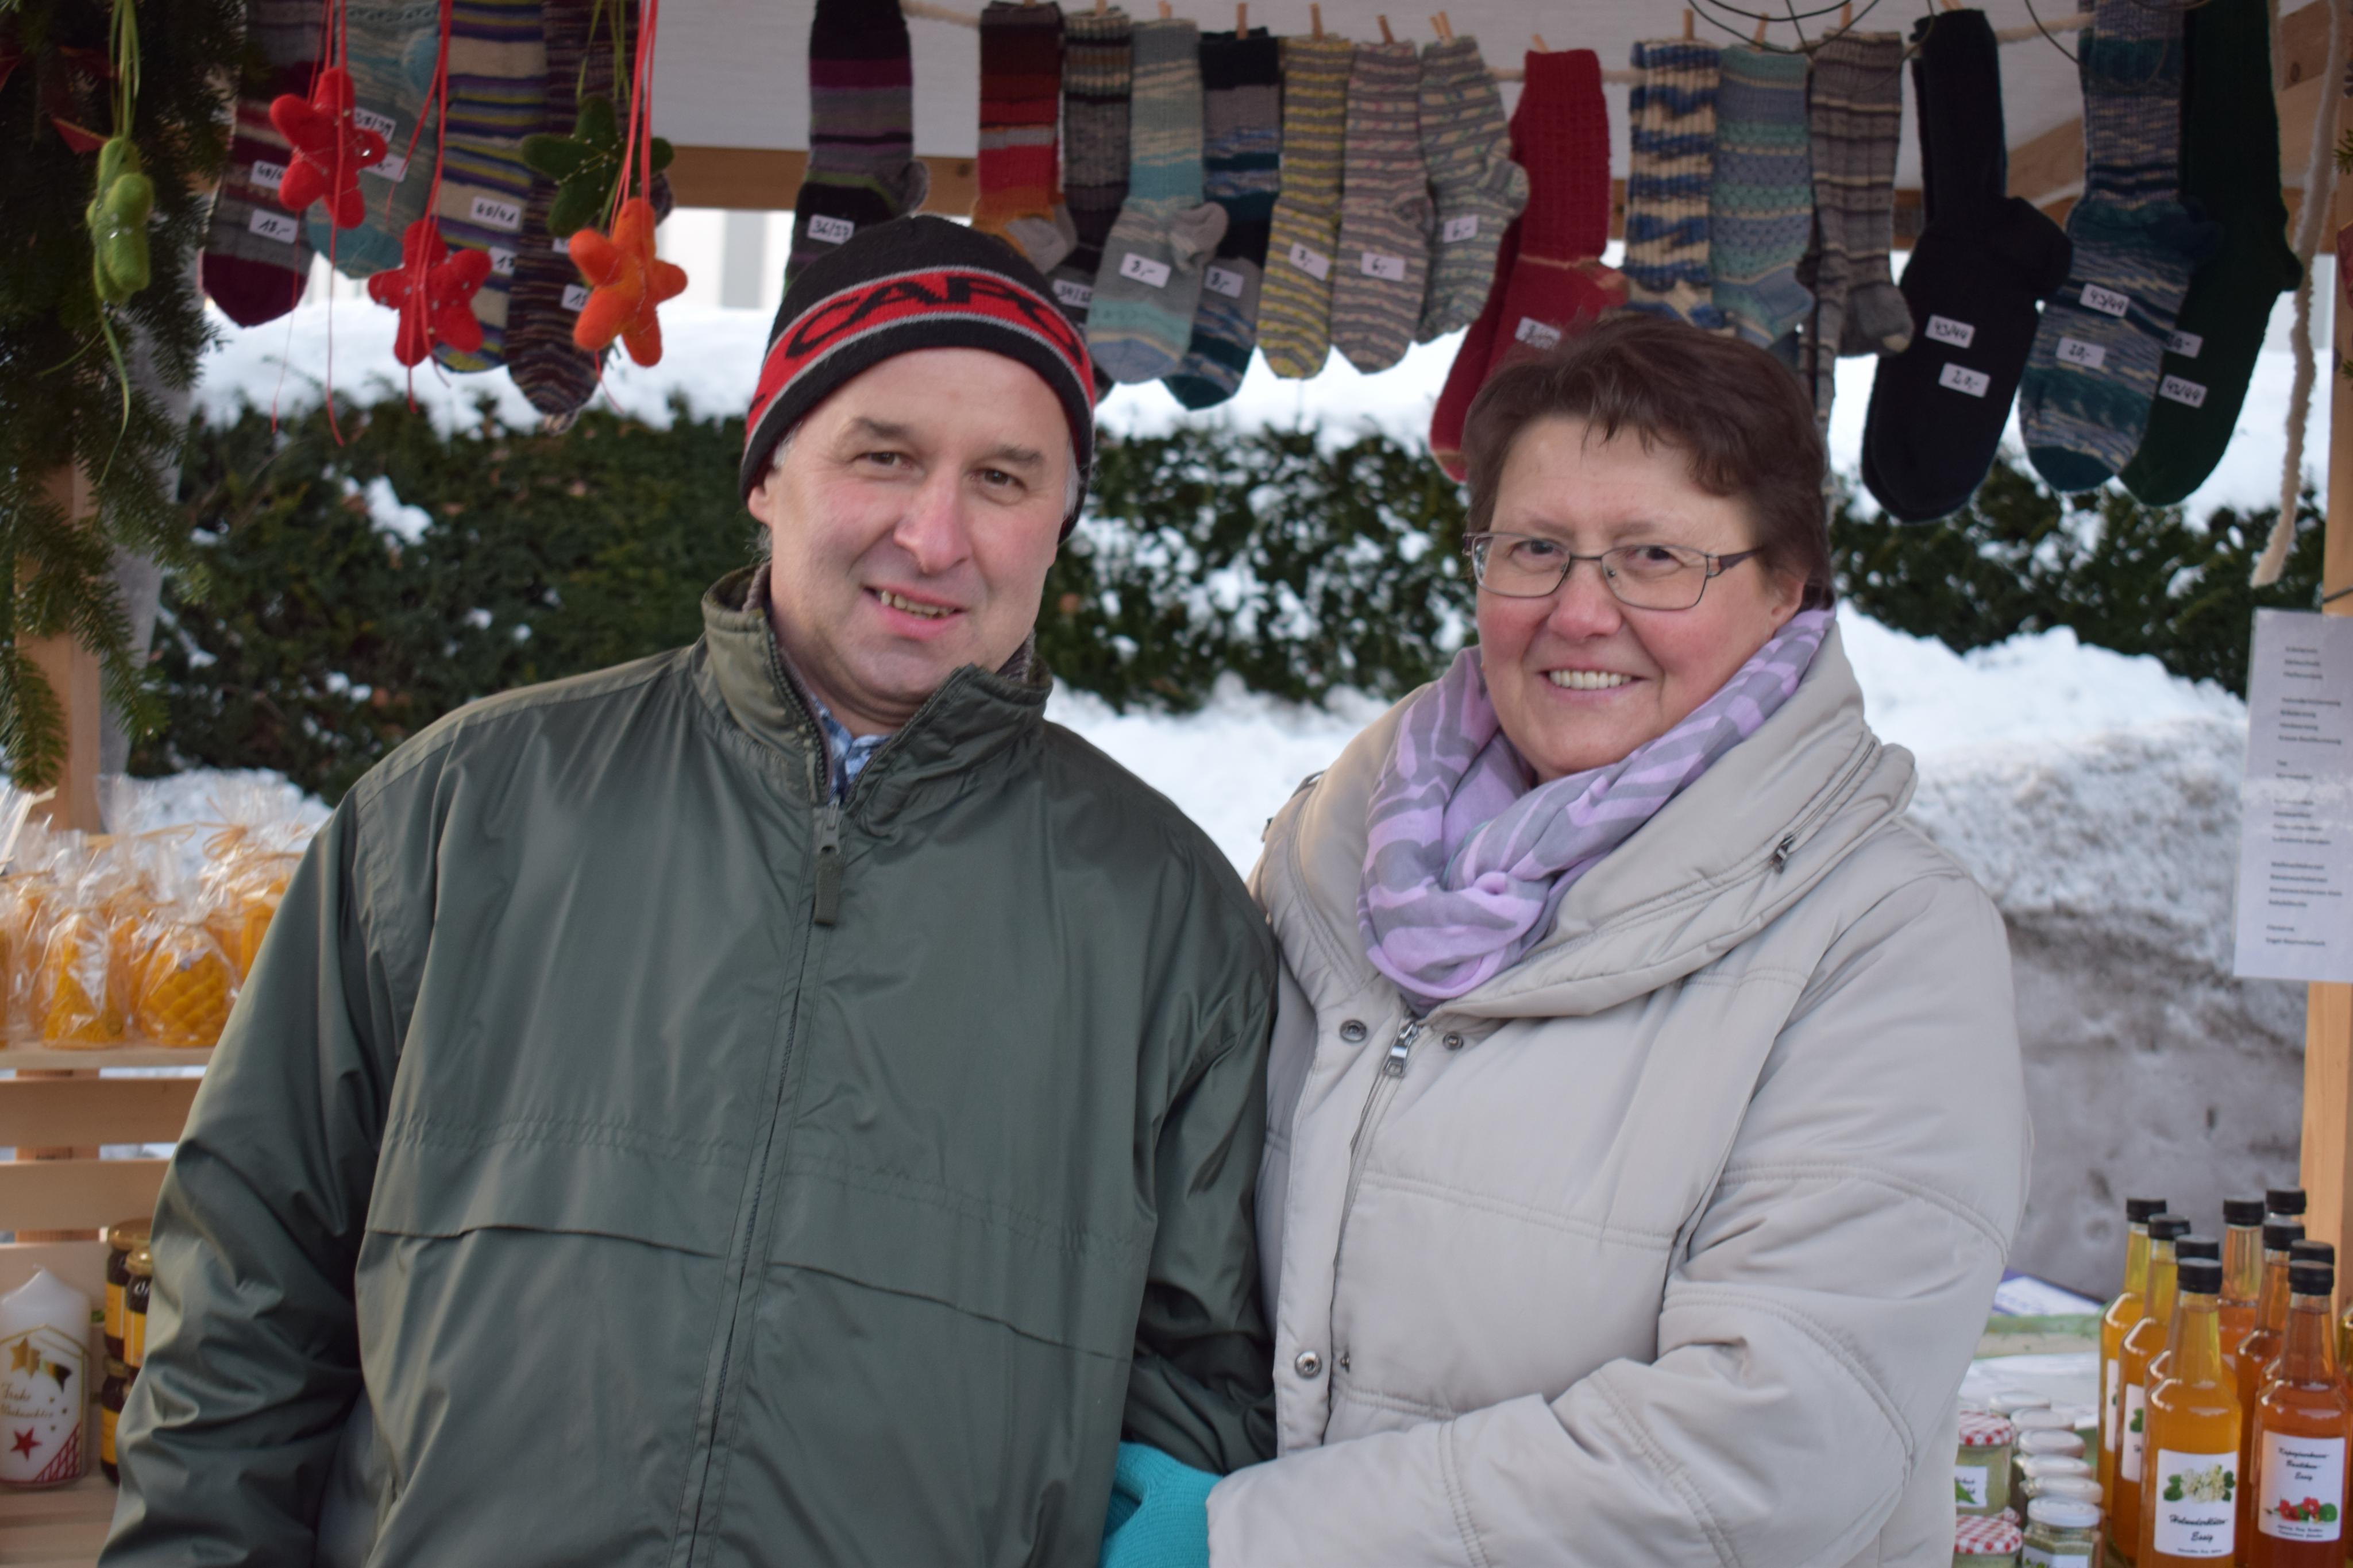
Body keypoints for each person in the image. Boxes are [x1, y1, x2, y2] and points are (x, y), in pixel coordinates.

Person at [102, 217, 1276, 1567]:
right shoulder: (463, 811)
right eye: (883, 456)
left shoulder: (1165, 921)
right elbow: (248, 1279)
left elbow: (1192, 1409)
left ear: (1058, 521)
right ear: (768, 472)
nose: (934, 534)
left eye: (1003, 479)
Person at [1205, 315, 2030, 1565]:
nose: (1580, 612)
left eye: (1654, 558)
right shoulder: (1334, 855)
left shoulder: (1884, 940)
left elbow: (1775, 1451)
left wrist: (1248, 1540)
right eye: (1533, 549)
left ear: (1786, 588)